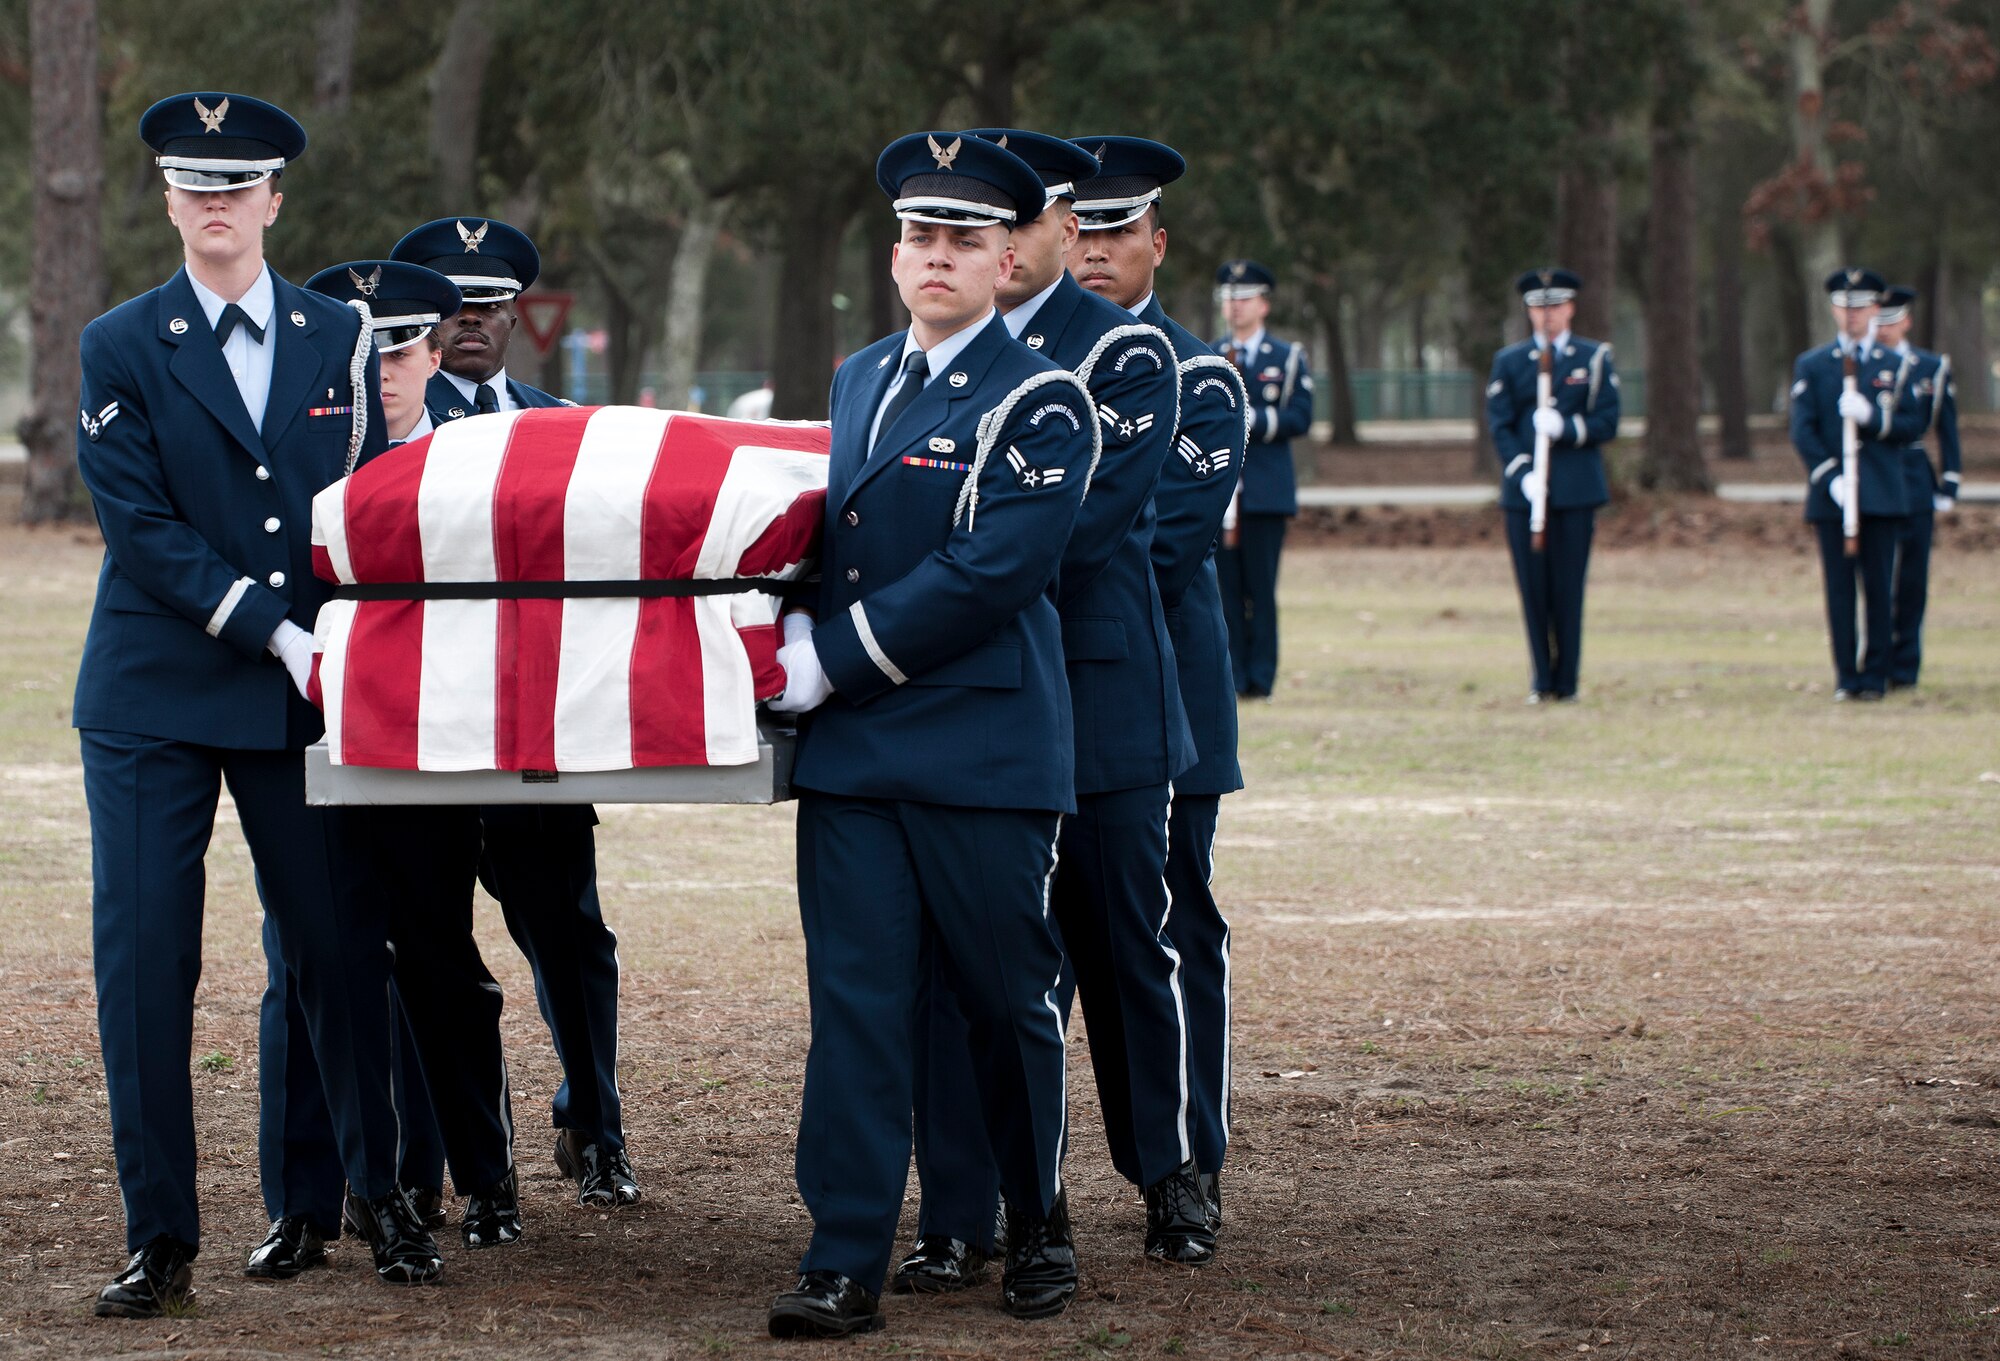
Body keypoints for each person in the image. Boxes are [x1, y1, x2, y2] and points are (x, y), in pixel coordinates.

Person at [73, 91, 441, 1317]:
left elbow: (362, 502)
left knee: (337, 952)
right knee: (145, 966)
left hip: (302, 695)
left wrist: (346, 637)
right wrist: (274, 625)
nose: (217, 203)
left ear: (275, 200)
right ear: (170, 200)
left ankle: (367, 1197)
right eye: (195, 185)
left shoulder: (341, 330)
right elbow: (141, 529)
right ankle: (158, 1234)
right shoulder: (120, 341)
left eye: (239, 186)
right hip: (158, 690)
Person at [762, 131, 1093, 1336]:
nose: (937, 256)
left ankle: (1033, 1219)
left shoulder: (1042, 396)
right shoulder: (859, 379)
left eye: (963, 239)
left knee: (1004, 1000)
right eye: (918, 237)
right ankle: (842, 1250)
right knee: (856, 1001)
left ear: (1008, 257)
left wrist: (825, 660)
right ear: (895, 255)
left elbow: (988, 570)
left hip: (982, 751)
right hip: (856, 752)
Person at [898, 126, 1196, 1292]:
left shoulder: (1121, 355)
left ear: (1056, 232)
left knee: (1123, 944)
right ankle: (964, 1210)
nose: (1004, 245)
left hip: (1101, 696)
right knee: (968, 969)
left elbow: (1081, 531)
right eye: (982, 227)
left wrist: (952, 570)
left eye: (1020, 224)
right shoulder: (925, 354)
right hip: (978, 699)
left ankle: (1167, 1166)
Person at [389, 219, 640, 1208]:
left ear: (516, 315)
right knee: (434, 950)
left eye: (492, 303)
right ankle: (464, 1156)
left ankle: (596, 1123)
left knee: (570, 936)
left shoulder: (560, 424)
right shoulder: (388, 415)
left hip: (538, 727)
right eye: (454, 306)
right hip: (428, 730)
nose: (474, 321)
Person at [247, 260, 472, 1277]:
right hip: (310, 727)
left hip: (430, 742)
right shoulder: (306, 444)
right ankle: (303, 1201)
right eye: (367, 348)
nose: (381, 369)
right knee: (304, 959)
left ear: (434, 355)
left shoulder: (472, 460)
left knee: (420, 953)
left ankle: (408, 1183)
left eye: (401, 347)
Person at [1066, 133, 1246, 1257]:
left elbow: (1156, 550)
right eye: (1074, 229)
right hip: (1033, 700)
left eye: (1114, 231)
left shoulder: (1198, 378)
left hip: (1157, 706)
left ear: (1155, 244)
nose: (1092, 252)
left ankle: (1179, 1168)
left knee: (1162, 940)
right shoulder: (1019, 366)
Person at [1789, 268, 1925, 700]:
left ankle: (1875, 675)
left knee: (1880, 588)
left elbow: (1912, 424)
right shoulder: (1813, 364)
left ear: (1876, 309)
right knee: (1839, 589)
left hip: (1882, 492)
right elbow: (1803, 429)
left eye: (1862, 306)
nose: (1853, 316)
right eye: (1845, 307)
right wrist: (1830, 477)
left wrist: (1873, 418)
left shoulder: (1895, 365)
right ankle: (1846, 675)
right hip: (1834, 496)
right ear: (1833, 309)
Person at [1486, 268, 1620, 703]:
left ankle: (1568, 681)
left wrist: (1567, 426)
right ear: (1528, 311)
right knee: (1533, 588)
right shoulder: (1509, 362)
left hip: (1576, 490)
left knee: (1569, 587)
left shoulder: (1593, 358)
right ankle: (1541, 679)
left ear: (1571, 308)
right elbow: (1500, 424)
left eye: (1557, 306)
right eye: (1540, 307)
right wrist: (1523, 472)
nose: (1549, 315)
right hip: (1525, 494)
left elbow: (1607, 421)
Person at [1212, 259, 1312, 699]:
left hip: (1265, 491)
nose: (1235, 307)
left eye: (1244, 298)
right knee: (1224, 590)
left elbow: (1301, 417)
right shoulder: (1208, 354)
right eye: (1229, 299)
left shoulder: (1287, 358)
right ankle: (1230, 676)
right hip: (1219, 492)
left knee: (1262, 588)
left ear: (1264, 305)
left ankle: (1262, 678)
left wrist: (1257, 419)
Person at [1876, 285, 1962, 690]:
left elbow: (1947, 427)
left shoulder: (1930, 366)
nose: (1885, 329)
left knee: (1913, 577)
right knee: (1877, 573)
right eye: (1880, 321)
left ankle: (1905, 666)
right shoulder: (1861, 363)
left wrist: (1950, 480)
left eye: (1892, 321)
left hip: (1913, 474)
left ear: (1906, 322)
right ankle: (1876, 658)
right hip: (1876, 472)